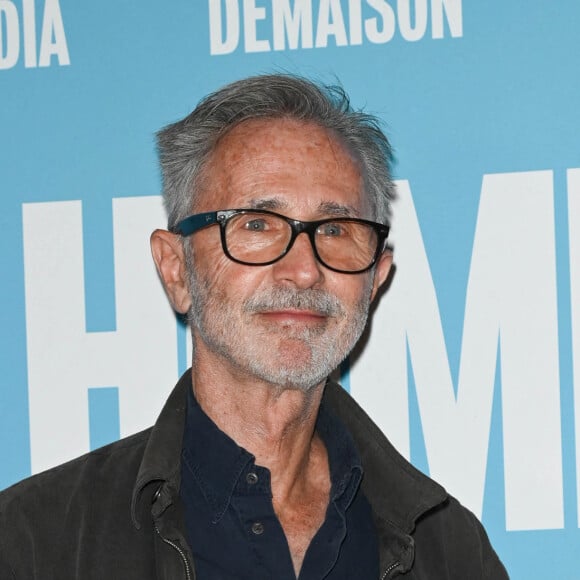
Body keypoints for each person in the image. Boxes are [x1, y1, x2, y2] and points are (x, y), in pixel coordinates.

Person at [0, 74, 508, 579]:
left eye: (335, 230)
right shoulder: (35, 543)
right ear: (176, 269)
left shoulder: (450, 552)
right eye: (257, 224)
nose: (305, 270)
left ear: (375, 280)